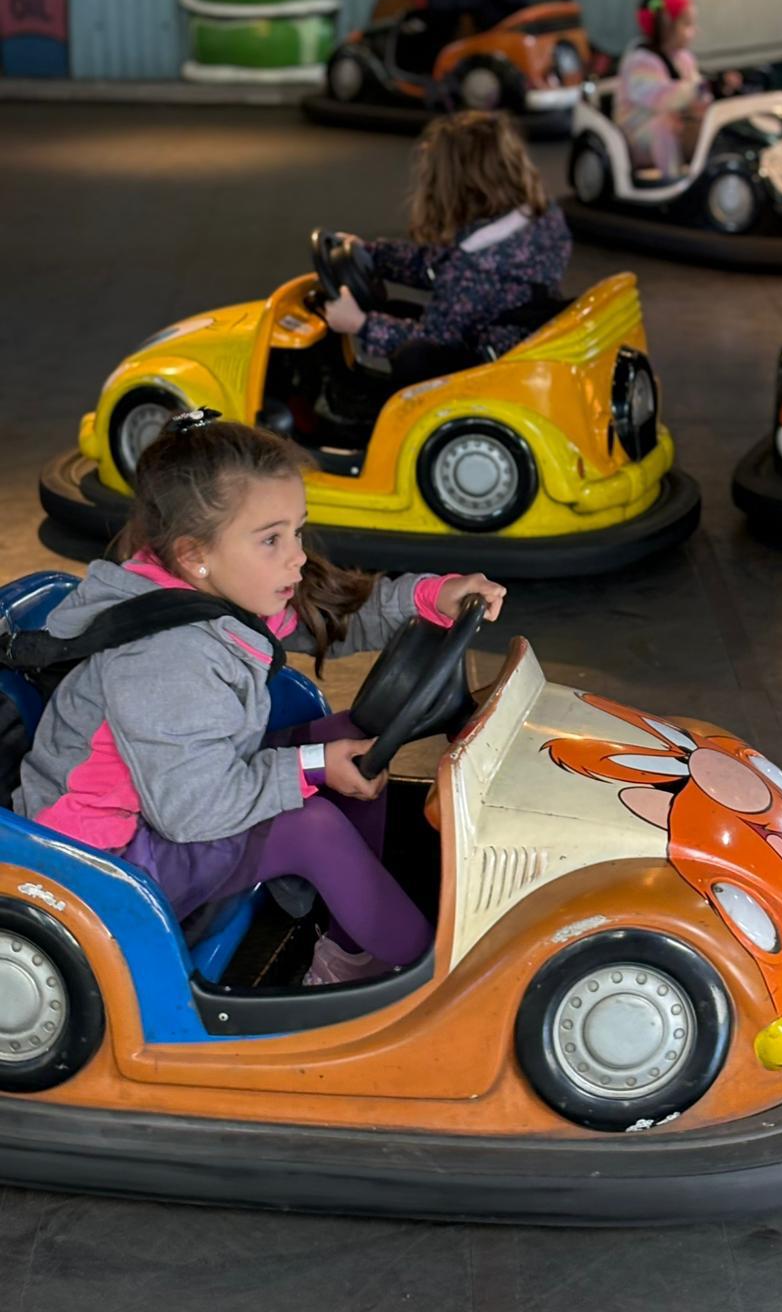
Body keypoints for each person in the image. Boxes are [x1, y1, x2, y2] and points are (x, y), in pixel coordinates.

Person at [14, 414, 506, 986]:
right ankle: (433, 980)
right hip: (102, 867)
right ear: (194, 553)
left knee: (347, 737)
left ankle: (350, 953)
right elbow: (193, 811)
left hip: (171, 799)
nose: (297, 556)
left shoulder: (209, 586)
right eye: (272, 539)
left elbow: (329, 616)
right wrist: (313, 768)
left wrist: (432, 595)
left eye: (297, 531)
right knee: (311, 825)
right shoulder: (164, 658)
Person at [323, 110, 572, 384]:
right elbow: (437, 263)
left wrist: (360, 324)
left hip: (487, 371)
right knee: (396, 311)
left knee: (414, 356)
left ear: (454, 186)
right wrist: (375, 254)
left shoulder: (473, 266)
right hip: (514, 341)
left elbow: (434, 338)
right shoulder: (539, 220)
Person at [614, 0, 741, 178]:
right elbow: (664, 99)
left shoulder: (684, 58)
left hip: (676, 125)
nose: (695, 31)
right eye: (687, 24)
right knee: (664, 125)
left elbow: (697, 93)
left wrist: (718, 90)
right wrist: (701, 89)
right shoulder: (640, 62)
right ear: (666, 26)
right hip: (638, 135)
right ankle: (672, 178)